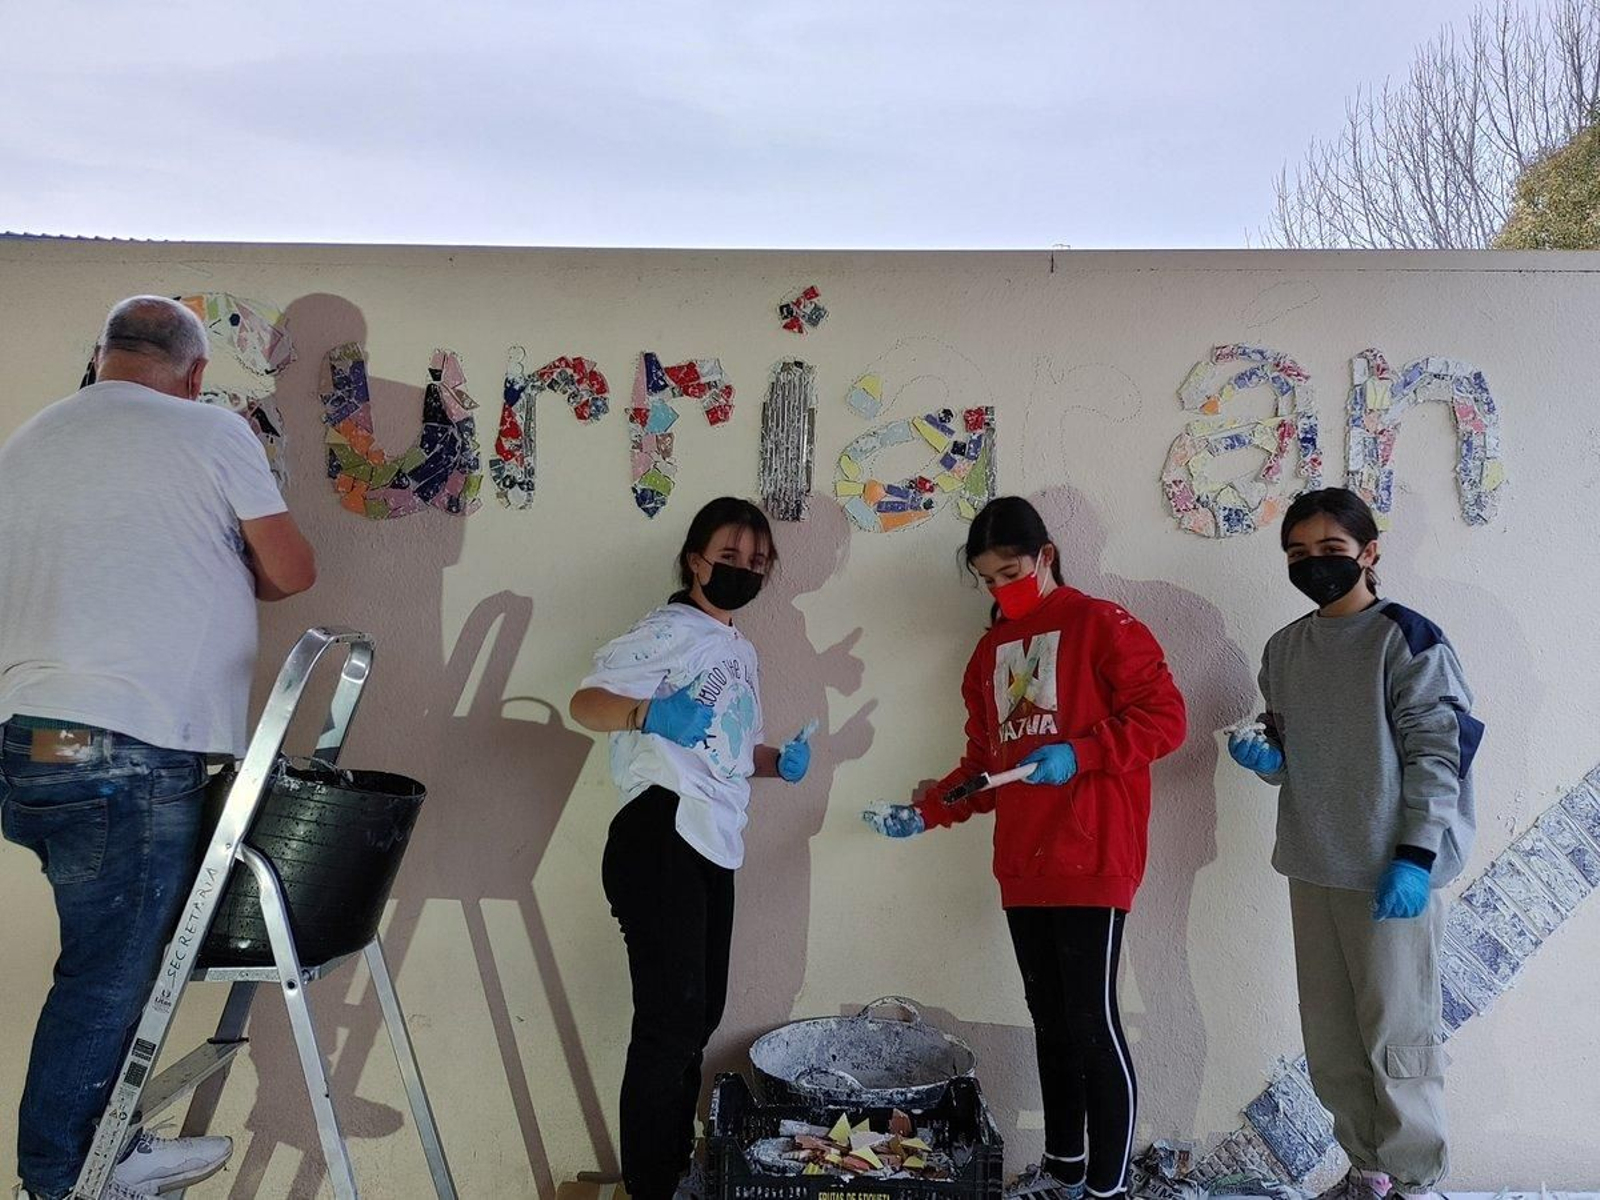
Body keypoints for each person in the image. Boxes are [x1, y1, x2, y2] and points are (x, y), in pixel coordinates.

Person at [0, 296, 317, 1199]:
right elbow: (292, 572)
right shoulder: (208, 433)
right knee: (106, 976)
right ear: (195, 372)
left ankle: (100, 1143)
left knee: (101, 958)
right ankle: (64, 1178)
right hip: (128, 751)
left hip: (37, 748)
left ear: (100, 356)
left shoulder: (31, 440)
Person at [864, 496, 1187, 1200]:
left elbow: (1167, 719)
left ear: (1045, 556)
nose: (1000, 587)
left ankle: (1107, 1188)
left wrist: (1084, 752)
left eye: (1010, 570)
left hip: (1093, 855)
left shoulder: (1101, 624)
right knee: (1050, 1021)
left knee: (1092, 1020)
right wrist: (925, 813)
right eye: (987, 578)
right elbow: (983, 765)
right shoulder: (988, 653)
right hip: (1023, 862)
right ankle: (1064, 1170)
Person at [1227, 487, 1480, 1200]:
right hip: (1315, 864)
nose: (1315, 565)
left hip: (1392, 870)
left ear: (1369, 553)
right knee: (1335, 1042)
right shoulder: (1285, 649)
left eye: (1332, 551)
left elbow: (1440, 752)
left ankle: (1416, 1183)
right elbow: (1291, 750)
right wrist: (1269, 760)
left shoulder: (1407, 639)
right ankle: (1366, 1172)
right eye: (1298, 554)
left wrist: (1415, 855)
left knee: (1398, 1037)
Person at [569, 497, 815, 1200]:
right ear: (693, 560)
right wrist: (646, 712)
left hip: (711, 838)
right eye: (729, 558)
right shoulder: (667, 630)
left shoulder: (740, 650)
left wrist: (775, 761)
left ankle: (670, 1174)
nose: (744, 572)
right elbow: (586, 703)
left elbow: (724, 750)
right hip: (660, 833)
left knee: (695, 1019)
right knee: (670, 1027)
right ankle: (650, 1186)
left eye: (757, 564)